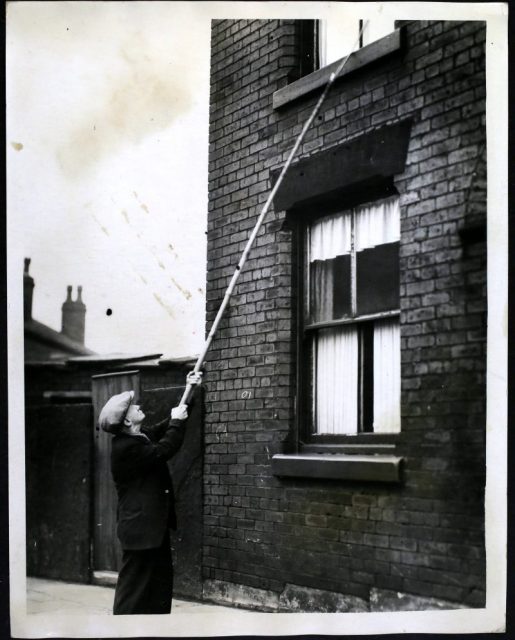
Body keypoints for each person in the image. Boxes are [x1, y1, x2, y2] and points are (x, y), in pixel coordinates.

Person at [98, 371, 202, 615]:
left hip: (152, 527)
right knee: (133, 590)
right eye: (133, 407)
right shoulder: (125, 448)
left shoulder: (139, 436)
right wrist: (176, 421)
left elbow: (169, 424)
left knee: (158, 586)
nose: (138, 407)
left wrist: (189, 391)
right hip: (141, 530)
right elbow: (165, 449)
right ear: (126, 421)